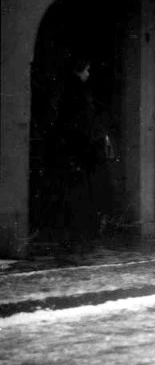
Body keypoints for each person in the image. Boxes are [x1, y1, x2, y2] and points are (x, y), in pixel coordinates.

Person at [46, 57, 108, 255]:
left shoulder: (68, 92)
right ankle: (79, 236)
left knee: (72, 195)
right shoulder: (78, 93)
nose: (88, 74)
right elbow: (84, 125)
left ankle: (72, 235)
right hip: (78, 154)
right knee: (80, 195)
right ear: (79, 70)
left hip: (71, 154)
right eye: (87, 70)